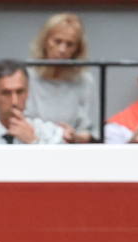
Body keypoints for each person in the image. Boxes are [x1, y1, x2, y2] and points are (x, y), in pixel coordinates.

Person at [26, 11, 96, 143]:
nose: (62, 49)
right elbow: (19, 123)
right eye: (57, 41)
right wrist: (53, 134)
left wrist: (75, 136)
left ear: (77, 49)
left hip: (71, 148)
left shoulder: (84, 80)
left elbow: (91, 131)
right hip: (32, 147)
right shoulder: (27, 76)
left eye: (70, 44)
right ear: (45, 41)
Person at [0, 60, 64, 145]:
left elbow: (59, 162)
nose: (14, 101)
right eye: (6, 93)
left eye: (20, 92)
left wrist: (34, 142)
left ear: (28, 92)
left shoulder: (48, 133)